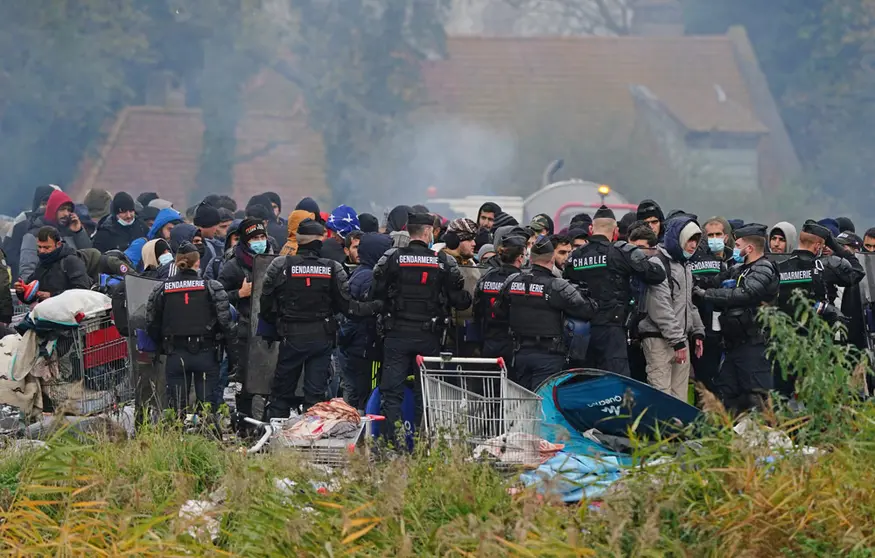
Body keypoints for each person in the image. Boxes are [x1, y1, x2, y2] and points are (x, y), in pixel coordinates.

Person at [260, 218, 381, 418]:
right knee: (315, 396)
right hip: (321, 339)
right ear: (319, 241)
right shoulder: (332, 268)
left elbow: (265, 305)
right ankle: (310, 437)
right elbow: (349, 307)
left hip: (291, 337)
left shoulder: (280, 265)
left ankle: (275, 440)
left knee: (281, 393)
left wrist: (279, 324)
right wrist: (377, 306)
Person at [370, 212, 471, 442]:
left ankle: (390, 446)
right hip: (429, 336)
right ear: (427, 232)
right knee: (425, 394)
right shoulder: (443, 262)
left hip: (396, 334)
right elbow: (460, 300)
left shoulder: (392, 258)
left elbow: (375, 292)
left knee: (391, 394)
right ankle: (421, 446)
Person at [564, 206, 666, 376]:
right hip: (613, 329)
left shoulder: (575, 256)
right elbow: (656, 274)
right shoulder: (621, 252)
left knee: (586, 381)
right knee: (616, 381)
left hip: (582, 331)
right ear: (616, 231)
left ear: (591, 229)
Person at [494, 236, 598, 390]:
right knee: (541, 401)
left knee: (521, 404)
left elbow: (499, 311)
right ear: (552, 258)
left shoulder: (512, 281)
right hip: (549, 355)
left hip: (520, 353)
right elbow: (588, 309)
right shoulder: (557, 285)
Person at [146, 242, 235, 414]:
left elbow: (151, 323)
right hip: (207, 354)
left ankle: (177, 439)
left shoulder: (162, 289)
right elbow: (226, 324)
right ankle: (208, 438)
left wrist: (163, 346)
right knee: (207, 410)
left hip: (175, 354)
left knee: (177, 410)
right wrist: (232, 356)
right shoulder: (211, 287)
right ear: (198, 263)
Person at [699, 224, 779, 412]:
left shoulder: (764, 268)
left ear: (749, 248)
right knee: (726, 397)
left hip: (754, 345)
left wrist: (707, 294)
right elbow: (714, 280)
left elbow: (746, 293)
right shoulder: (738, 269)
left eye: (738, 245)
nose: (734, 249)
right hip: (733, 344)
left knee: (757, 398)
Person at [638, 217, 706, 400]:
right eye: (689, 239)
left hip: (680, 341)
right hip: (659, 341)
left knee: (680, 399)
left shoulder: (684, 266)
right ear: (678, 238)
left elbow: (688, 302)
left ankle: (677, 430)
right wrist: (677, 340)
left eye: (696, 241)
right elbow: (660, 306)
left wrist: (698, 332)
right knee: (662, 397)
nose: (693, 245)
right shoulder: (658, 263)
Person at [218, 218, 271, 416]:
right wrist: (239, 294)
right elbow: (218, 296)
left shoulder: (272, 261)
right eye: (254, 238)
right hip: (244, 332)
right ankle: (245, 424)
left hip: (267, 332)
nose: (260, 241)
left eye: (262, 237)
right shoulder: (233, 266)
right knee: (246, 385)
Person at [343, 232, 393, 410]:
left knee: (353, 392)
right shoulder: (370, 277)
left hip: (354, 347)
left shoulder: (358, 273)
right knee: (367, 396)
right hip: (366, 348)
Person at [474, 232, 528, 379]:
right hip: (513, 344)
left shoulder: (487, 277)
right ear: (520, 258)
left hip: (489, 340)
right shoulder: (522, 281)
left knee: (490, 389)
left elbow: (477, 309)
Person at [18, 190, 91, 282]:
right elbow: (27, 270)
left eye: (69, 210)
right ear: (53, 210)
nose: (66, 214)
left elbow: (88, 256)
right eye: (62, 209)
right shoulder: (34, 235)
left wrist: (79, 232)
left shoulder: (70, 233)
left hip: (73, 291)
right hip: (45, 292)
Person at [16, 226, 91, 301]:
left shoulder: (71, 261)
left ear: (58, 244)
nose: (42, 251)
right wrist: (22, 291)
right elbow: (30, 296)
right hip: (48, 310)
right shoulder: (42, 263)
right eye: (39, 247)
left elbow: (81, 291)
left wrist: (52, 295)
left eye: (46, 247)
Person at [3, 185, 57, 280]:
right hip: (23, 280)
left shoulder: (60, 224)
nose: (46, 207)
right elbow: (8, 253)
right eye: (44, 203)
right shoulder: (21, 225)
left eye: (49, 203)